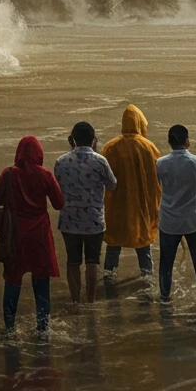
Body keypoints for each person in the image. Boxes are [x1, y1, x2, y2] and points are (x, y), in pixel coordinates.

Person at [0, 136, 63, 333]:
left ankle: (9, 329)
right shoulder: (45, 175)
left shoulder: (8, 174)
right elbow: (59, 203)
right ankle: (43, 328)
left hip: (15, 235)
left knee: (13, 279)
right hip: (40, 235)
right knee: (41, 280)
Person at [54, 121, 116, 303]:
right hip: (94, 220)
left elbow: (57, 187)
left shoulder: (61, 161)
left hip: (69, 220)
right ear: (93, 140)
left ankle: (75, 301)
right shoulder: (100, 161)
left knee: (72, 261)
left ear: (72, 140)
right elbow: (112, 185)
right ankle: (91, 299)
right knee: (92, 261)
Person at [100, 104, 161, 279]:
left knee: (113, 243)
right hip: (141, 207)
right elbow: (157, 179)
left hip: (116, 207)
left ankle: (108, 278)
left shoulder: (110, 147)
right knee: (143, 243)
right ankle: (147, 281)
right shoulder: (149, 148)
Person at [155, 124, 196, 302]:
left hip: (169, 219)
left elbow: (158, 182)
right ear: (187, 141)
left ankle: (164, 297)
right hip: (192, 220)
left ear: (169, 142)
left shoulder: (161, 163)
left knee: (166, 263)